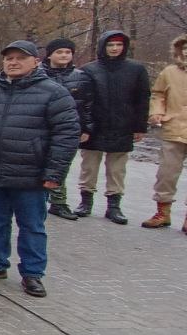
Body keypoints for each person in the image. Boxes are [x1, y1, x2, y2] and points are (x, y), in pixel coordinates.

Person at [0, 40, 80, 298]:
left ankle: (33, 273)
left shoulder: (53, 93)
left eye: (20, 58)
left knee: (32, 225)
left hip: (31, 175)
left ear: (36, 61)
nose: (13, 63)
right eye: (9, 58)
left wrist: (54, 173)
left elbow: (67, 135)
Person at [75, 30, 150, 224]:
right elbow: (82, 101)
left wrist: (140, 126)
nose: (115, 49)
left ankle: (114, 205)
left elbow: (142, 99)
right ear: (103, 46)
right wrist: (83, 126)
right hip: (94, 125)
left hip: (122, 124)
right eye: (110, 45)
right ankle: (85, 201)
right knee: (89, 166)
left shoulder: (136, 70)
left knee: (117, 168)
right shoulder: (89, 70)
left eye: (118, 45)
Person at [38, 38, 92, 220]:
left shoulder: (81, 76)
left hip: (68, 128)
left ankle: (59, 202)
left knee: (60, 163)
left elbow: (87, 105)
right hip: (40, 126)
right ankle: (41, 197)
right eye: (59, 52)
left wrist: (86, 128)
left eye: (67, 52)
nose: (63, 55)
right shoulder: (38, 73)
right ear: (50, 54)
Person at [144, 34, 187, 231]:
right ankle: (163, 211)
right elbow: (158, 94)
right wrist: (157, 112)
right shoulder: (169, 71)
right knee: (166, 173)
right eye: (184, 47)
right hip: (173, 128)